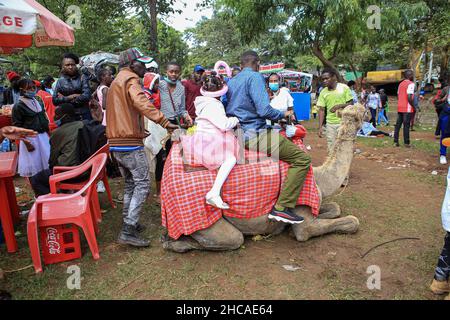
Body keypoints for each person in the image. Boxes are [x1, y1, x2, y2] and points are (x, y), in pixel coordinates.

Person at [226, 50, 311, 224]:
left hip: (237, 132)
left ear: (241, 64)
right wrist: (283, 115)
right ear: (258, 64)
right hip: (255, 133)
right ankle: (282, 208)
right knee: (302, 159)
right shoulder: (256, 78)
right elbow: (264, 110)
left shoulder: (232, 80)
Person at [106, 48, 178, 248]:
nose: (145, 68)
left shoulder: (115, 81)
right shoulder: (130, 80)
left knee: (130, 184)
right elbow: (141, 102)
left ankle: (130, 223)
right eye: (141, 64)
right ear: (131, 64)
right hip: (128, 142)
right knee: (143, 184)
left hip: (116, 142)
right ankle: (128, 229)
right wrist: (164, 121)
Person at [181, 72, 239, 209]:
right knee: (231, 159)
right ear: (220, 92)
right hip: (211, 139)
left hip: (202, 137)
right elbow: (224, 125)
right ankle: (214, 193)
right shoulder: (215, 104)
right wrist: (235, 119)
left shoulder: (202, 101)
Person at [30, 103, 85, 196]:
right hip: (88, 170)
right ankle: (65, 192)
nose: (54, 117)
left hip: (71, 173)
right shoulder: (84, 125)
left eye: (57, 115)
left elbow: (52, 160)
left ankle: (54, 202)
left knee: (36, 179)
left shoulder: (57, 133)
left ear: (66, 117)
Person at [12, 79, 50, 178]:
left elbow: (43, 118)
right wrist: (27, 143)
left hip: (43, 137)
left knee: (47, 163)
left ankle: (48, 187)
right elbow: (18, 127)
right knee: (35, 167)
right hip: (31, 139)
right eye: (29, 88)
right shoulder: (18, 106)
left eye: (34, 87)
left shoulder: (37, 101)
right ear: (21, 90)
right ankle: (38, 190)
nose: (33, 90)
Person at [317, 68, 354, 153]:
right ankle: (333, 166)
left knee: (343, 147)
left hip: (344, 123)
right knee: (331, 148)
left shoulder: (344, 88)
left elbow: (351, 103)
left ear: (334, 77)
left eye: (327, 78)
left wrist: (339, 106)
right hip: (330, 124)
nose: (325, 81)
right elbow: (321, 110)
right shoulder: (323, 92)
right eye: (323, 79)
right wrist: (320, 127)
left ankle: (343, 165)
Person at [53, 53, 92, 120]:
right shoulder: (60, 81)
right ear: (63, 66)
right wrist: (71, 97)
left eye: (72, 64)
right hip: (68, 118)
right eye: (67, 65)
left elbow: (87, 96)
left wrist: (65, 98)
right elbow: (55, 100)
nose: (70, 67)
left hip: (84, 115)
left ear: (75, 65)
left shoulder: (82, 77)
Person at [160, 61, 193, 129]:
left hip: (175, 123)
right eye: (171, 71)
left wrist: (186, 116)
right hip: (161, 122)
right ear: (166, 72)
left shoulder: (181, 88)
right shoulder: (159, 86)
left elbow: (182, 109)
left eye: (176, 72)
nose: (174, 74)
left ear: (180, 73)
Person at [394, 69, 415, 148]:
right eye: (412, 74)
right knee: (406, 125)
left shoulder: (400, 84)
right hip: (407, 108)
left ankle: (395, 142)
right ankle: (407, 143)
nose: (413, 76)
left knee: (398, 125)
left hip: (400, 107)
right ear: (409, 76)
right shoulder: (411, 84)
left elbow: (398, 95)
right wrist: (413, 106)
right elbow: (409, 97)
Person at [437, 85, 450, 164]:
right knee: (445, 133)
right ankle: (443, 154)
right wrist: (443, 100)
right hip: (447, 113)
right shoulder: (446, 89)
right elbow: (437, 100)